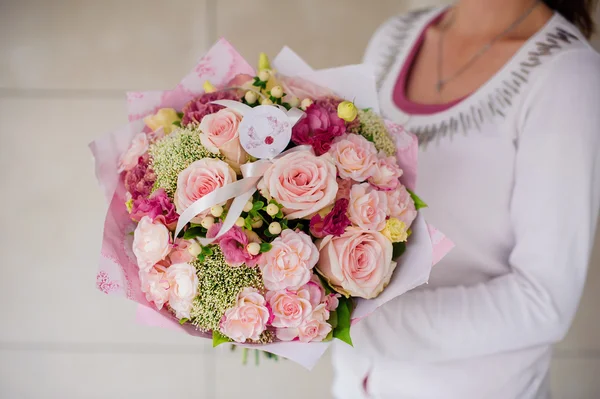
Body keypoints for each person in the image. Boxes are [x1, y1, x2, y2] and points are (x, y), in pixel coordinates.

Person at [332, 1, 600, 398]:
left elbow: (542, 302)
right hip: (355, 383)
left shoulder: (567, 76)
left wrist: (340, 319)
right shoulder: (394, 38)